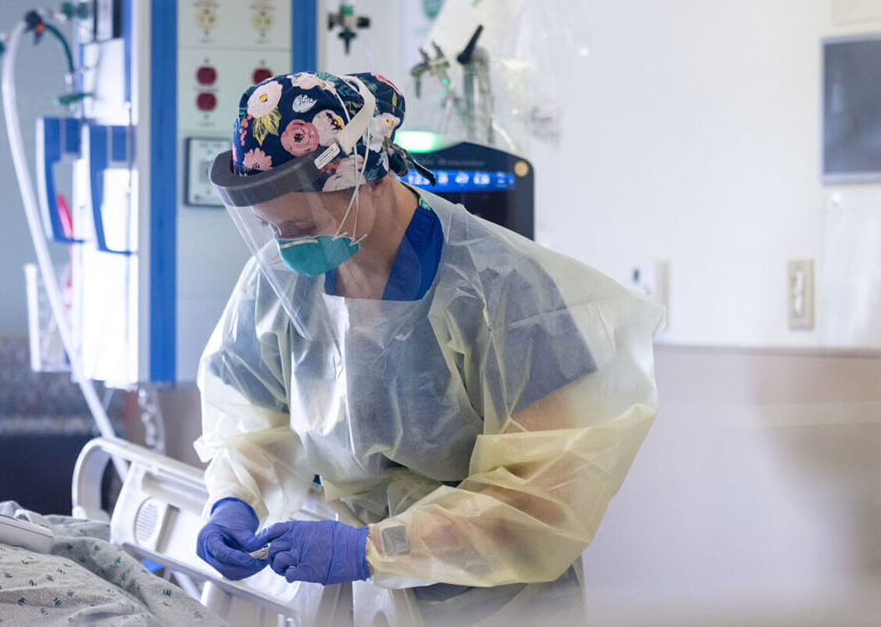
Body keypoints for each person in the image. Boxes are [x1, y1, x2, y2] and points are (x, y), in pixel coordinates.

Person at [193, 71, 663, 624]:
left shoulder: (504, 289)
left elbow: (539, 498)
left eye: (304, 223)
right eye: (275, 229)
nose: (289, 245)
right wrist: (233, 500)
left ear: (368, 177)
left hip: (496, 602)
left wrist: (372, 548)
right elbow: (252, 421)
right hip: (362, 599)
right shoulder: (279, 281)